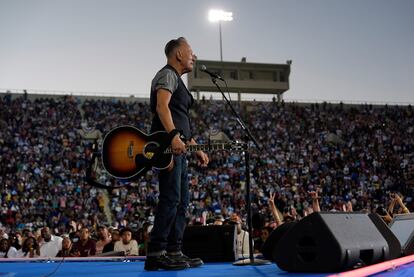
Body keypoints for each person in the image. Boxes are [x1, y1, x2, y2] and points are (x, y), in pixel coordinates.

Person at [145, 37, 209, 271]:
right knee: (171, 199)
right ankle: (156, 253)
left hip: (178, 146)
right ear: (178, 54)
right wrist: (172, 136)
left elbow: (180, 122)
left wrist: (196, 146)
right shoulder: (168, 74)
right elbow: (162, 107)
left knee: (182, 202)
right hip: (166, 148)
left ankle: (173, 251)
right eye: (190, 52)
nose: (194, 56)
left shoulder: (178, 81)